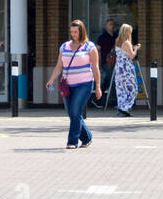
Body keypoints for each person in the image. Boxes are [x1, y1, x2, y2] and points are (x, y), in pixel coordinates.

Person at [46, 19, 102, 148]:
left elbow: (95, 67)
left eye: (76, 32)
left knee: (76, 112)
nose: (73, 34)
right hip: (67, 85)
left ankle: (72, 141)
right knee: (72, 114)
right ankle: (87, 137)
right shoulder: (64, 46)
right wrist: (51, 79)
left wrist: (98, 87)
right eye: (71, 32)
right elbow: (59, 66)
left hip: (84, 84)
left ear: (82, 32)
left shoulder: (90, 47)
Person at [113, 23, 140, 116]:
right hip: (126, 68)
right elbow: (132, 56)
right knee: (133, 88)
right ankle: (126, 108)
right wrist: (136, 49)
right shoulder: (127, 42)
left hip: (118, 67)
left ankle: (121, 108)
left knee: (121, 88)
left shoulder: (117, 41)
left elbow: (122, 51)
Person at [95, 18, 117, 93]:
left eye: (113, 24)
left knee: (112, 79)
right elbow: (96, 49)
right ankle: (98, 97)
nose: (112, 26)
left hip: (116, 61)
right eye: (110, 24)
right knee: (110, 79)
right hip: (106, 61)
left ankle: (102, 97)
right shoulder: (102, 37)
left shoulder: (116, 36)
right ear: (106, 26)